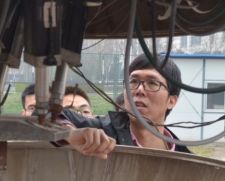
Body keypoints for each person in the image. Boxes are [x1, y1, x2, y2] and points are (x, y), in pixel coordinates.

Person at [58, 54, 191, 153]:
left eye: (152, 83)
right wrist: (69, 133)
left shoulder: (186, 160)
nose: (139, 90)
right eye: (133, 81)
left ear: (171, 101)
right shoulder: (102, 132)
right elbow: (51, 115)